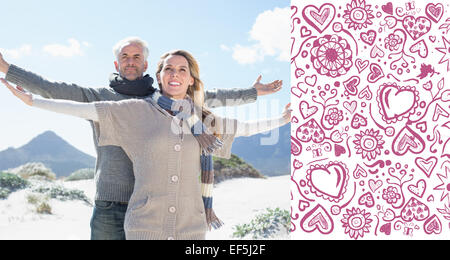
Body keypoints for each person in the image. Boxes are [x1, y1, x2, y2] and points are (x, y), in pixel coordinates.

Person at [0, 37, 283, 240]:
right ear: (116, 62)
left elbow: (206, 98)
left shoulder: (163, 100)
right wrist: (7, 70)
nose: (131, 61)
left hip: (154, 205)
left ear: (147, 64)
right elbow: (51, 89)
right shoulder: (100, 98)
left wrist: (251, 93)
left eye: (137, 57)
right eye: (125, 56)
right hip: (111, 203)